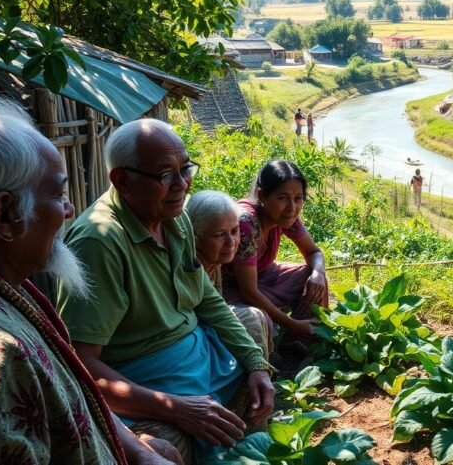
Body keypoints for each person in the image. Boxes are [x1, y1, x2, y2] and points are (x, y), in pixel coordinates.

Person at [0, 87, 177, 464]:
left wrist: (135, 451)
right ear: (5, 215)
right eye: (58, 193)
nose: (69, 209)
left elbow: (70, 388)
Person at [58, 119, 274, 465]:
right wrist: (174, 407)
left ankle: (251, 446)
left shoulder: (176, 218)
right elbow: (81, 365)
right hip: (147, 376)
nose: (182, 185)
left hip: (197, 352)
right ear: (123, 181)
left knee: (253, 322)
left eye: (185, 169)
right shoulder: (99, 243)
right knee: (167, 445)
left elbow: (206, 298)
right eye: (165, 175)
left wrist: (257, 364)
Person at [224, 160, 329, 348]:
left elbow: (314, 252)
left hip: (263, 278)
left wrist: (318, 273)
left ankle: (300, 343)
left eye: (298, 198)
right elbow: (248, 291)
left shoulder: (286, 216)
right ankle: (281, 348)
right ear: (261, 196)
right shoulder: (247, 222)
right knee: (261, 321)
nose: (291, 207)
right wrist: (293, 324)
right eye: (283, 198)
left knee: (312, 278)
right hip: (234, 290)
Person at [187, 191, 273, 359]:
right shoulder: (192, 267)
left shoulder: (214, 261)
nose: (231, 242)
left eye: (235, 231)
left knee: (259, 316)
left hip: (206, 328)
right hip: (191, 339)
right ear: (195, 238)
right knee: (251, 318)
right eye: (219, 235)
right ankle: (252, 382)